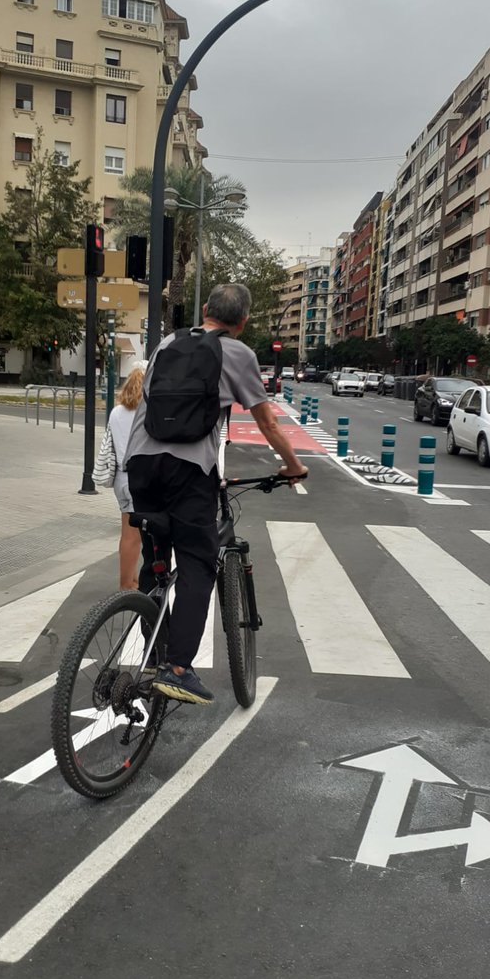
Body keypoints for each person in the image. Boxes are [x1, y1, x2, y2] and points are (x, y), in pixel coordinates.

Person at [124, 282, 308, 706]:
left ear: (205, 309)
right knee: (198, 565)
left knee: (155, 558)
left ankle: (154, 657)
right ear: (242, 322)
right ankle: (176, 668)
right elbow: (268, 423)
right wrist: (294, 467)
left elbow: (148, 403)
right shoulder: (239, 353)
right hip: (188, 472)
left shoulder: (168, 343)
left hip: (141, 464)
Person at [108, 361, 147, 590]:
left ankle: (131, 580)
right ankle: (126, 585)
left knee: (128, 533)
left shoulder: (116, 412)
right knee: (136, 536)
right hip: (139, 477)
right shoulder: (147, 411)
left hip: (121, 479)